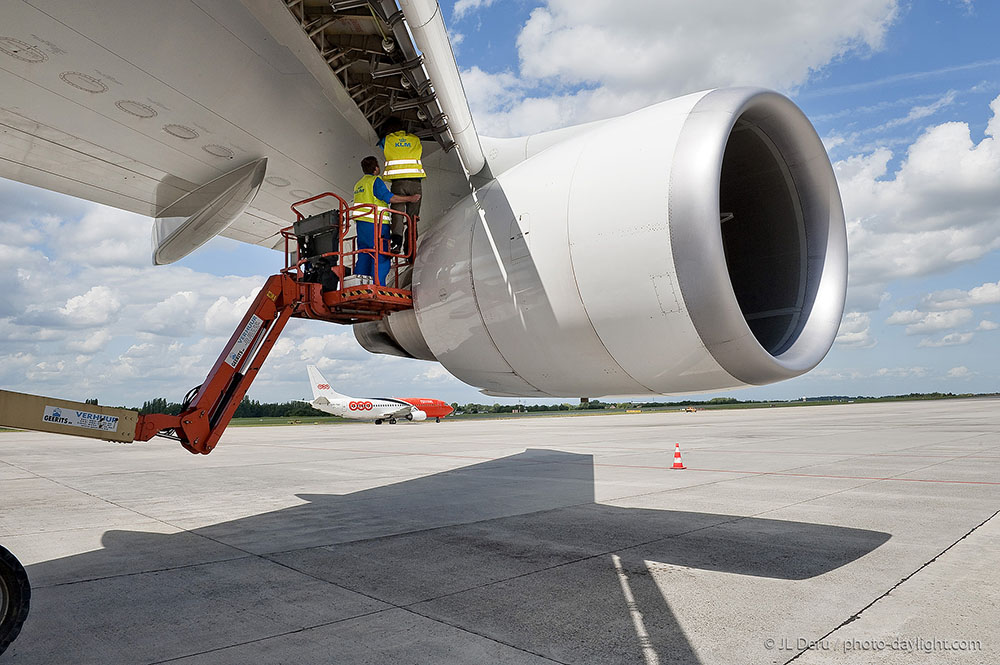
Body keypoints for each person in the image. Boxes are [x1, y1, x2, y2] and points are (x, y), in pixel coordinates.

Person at [352, 156, 420, 286]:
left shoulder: (359, 184)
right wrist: (410, 198)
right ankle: (378, 287)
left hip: (362, 226)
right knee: (380, 254)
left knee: (364, 254)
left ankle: (359, 285)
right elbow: (389, 198)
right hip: (376, 224)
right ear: (376, 168)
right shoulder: (375, 181)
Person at [378, 117, 425, 253]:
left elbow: (381, 145)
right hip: (416, 183)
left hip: (399, 183)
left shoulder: (387, 140)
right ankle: (410, 249)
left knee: (397, 214)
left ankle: (396, 244)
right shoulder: (415, 139)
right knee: (413, 217)